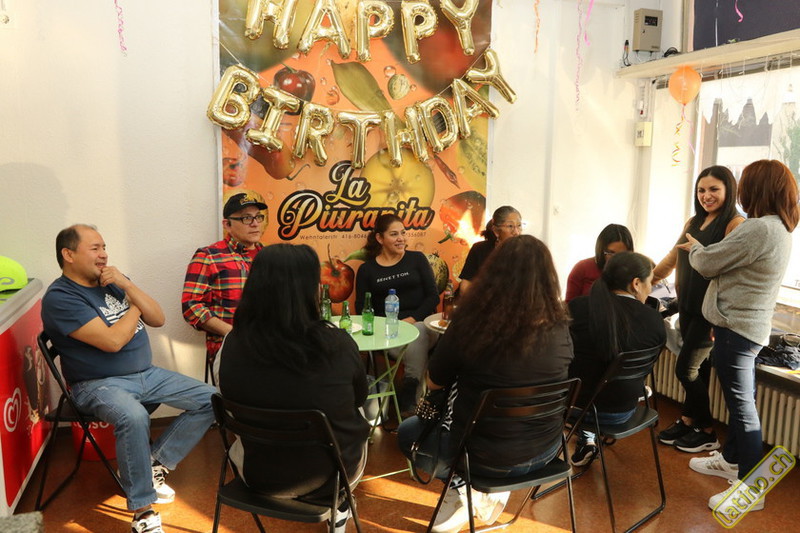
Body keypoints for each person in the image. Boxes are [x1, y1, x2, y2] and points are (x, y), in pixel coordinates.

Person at [41, 224, 216, 533]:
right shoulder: (60, 297)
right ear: (68, 254)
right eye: (95, 248)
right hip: (97, 384)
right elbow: (113, 342)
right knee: (133, 416)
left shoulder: (112, 282)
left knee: (213, 399)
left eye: (104, 247)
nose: (103, 255)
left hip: (147, 374)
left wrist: (126, 285)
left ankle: (152, 463)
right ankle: (143, 512)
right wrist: (134, 304)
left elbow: (158, 318)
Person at [397, 235, 574, 532]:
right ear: (548, 277)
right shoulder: (561, 328)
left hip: (481, 458)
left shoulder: (469, 323)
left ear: (493, 273)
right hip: (546, 451)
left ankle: (462, 491)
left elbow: (434, 382)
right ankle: (478, 494)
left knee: (407, 433)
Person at [219, 244, 369, 532]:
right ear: (310, 289)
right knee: (361, 409)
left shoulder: (231, 344)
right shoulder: (338, 343)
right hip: (332, 478)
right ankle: (340, 506)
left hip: (257, 475)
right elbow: (359, 398)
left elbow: (227, 395)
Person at [684, 160, 799, 511]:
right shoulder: (778, 227)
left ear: (758, 188)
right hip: (745, 328)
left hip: (738, 330)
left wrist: (696, 248)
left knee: (744, 410)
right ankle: (731, 460)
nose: (741, 192)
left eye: (746, 184)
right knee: (741, 403)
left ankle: (751, 489)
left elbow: (707, 263)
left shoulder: (758, 228)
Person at [653, 166, 744, 453]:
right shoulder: (694, 221)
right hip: (687, 307)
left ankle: (706, 431)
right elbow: (673, 256)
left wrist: (722, 318)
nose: (706, 195)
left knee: (685, 369)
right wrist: (646, 281)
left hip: (710, 313)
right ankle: (688, 420)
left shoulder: (735, 224)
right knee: (700, 369)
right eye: (701, 190)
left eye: (714, 189)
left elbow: (732, 273)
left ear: (729, 190)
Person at [568, 252, 666, 466]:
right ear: (636, 284)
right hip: (622, 412)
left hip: (574, 409)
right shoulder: (653, 319)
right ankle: (587, 438)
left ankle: (586, 439)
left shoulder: (577, 308)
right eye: (650, 282)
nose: (651, 289)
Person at [355, 213, 439, 416]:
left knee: (419, 330)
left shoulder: (417, 259)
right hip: (389, 333)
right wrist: (387, 326)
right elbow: (362, 308)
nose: (401, 238)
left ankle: (409, 389)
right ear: (380, 238)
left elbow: (433, 297)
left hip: (423, 326)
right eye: (394, 234)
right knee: (415, 338)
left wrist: (410, 320)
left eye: (403, 233)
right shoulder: (367, 270)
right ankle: (416, 405)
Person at [181, 192, 268, 383]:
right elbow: (191, 307)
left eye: (258, 217)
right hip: (231, 349)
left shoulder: (269, 256)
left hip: (270, 347)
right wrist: (234, 334)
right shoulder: (209, 256)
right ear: (227, 224)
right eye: (246, 218)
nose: (255, 223)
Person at [457, 205, 522, 297]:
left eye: (519, 226)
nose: (516, 232)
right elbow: (466, 285)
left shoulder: (527, 252)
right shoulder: (479, 249)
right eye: (510, 226)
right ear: (496, 231)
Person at [565, 224, 634, 302]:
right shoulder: (582, 268)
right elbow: (569, 305)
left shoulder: (634, 272)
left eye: (622, 254)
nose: (616, 259)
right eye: (611, 253)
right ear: (601, 250)